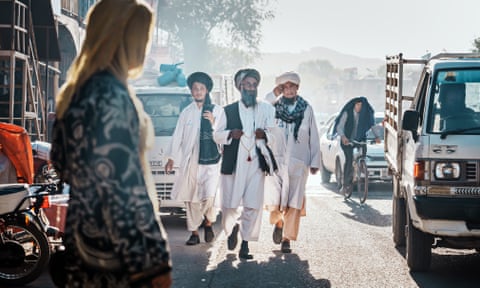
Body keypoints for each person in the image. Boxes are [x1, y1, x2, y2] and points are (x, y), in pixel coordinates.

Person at [50, 0, 172, 287]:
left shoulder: (76, 93)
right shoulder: (111, 97)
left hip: (83, 244)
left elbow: (62, 164)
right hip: (117, 258)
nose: (145, 47)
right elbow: (124, 189)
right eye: (142, 36)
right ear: (123, 38)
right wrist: (154, 263)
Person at [213, 68, 276, 260]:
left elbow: (275, 134)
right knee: (230, 205)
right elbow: (216, 134)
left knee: (252, 205)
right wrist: (230, 134)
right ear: (240, 87)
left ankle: (245, 243)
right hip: (234, 164)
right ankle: (232, 229)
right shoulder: (228, 110)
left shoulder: (267, 109)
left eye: (254, 84)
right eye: (247, 85)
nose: (251, 88)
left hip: (256, 164)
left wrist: (265, 135)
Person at [264, 71, 321, 253]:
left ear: (297, 88)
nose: (288, 91)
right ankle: (279, 223)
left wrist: (314, 161)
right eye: (285, 87)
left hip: (298, 162)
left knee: (294, 200)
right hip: (276, 162)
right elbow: (261, 107)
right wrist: (274, 93)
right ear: (281, 89)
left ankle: (287, 239)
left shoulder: (306, 108)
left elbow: (313, 135)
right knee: (276, 197)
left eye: (292, 87)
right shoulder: (273, 107)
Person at [164, 72, 222, 246]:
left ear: (207, 90)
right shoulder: (186, 113)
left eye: (201, 89)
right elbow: (177, 136)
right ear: (191, 91)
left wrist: (213, 123)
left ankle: (209, 222)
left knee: (209, 196)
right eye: (195, 89)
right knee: (190, 198)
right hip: (190, 161)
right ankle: (194, 233)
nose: (198, 92)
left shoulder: (217, 110)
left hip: (211, 161)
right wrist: (171, 157)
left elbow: (223, 135)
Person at [334, 96, 380, 195]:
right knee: (349, 159)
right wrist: (343, 137)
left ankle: (361, 166)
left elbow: (372, 125)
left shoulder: (365, 115)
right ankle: (345, 184)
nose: (359, 107)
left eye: (361, 106)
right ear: (354, 105)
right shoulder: (347, 113)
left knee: (363, 149)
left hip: (359, 139)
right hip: (347, 139)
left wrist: (377, 137)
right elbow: (340, 126)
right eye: (358, 105)